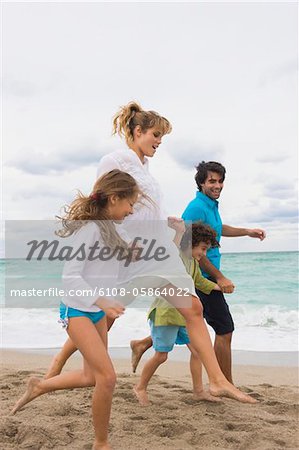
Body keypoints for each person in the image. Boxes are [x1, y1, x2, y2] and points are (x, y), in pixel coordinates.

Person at [44, 102, 256, 404]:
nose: (159, 141)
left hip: (158, 251)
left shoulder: (145, 166)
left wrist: (168, 221)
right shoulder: (116, 159)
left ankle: (218, 380)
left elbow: (146, 207)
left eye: (162, 137)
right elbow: (102, 201)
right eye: (155, 135)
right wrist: (118, 240)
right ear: (137, 131)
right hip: (131, 254)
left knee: (193, 309)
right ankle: (60, 364)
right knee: (104, 315)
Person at [11, 170, 141, 450]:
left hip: (94, 311)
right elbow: (71, 277)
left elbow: (107, 267)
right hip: (77, 311)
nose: (132, 210)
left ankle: (40, 386)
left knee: (90, 377)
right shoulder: (90, 229)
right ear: (114, 198)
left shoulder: (112, 228)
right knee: (107, 378)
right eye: (130, 203)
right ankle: (101, 443)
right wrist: (102, 301)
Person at [182, 161, 266, 383]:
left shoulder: (210, 205)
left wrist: (247, 231)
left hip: (205, 277)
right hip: (202, 278)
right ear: (201, 183)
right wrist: (219, 277)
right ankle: (225, 383)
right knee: (224, 329)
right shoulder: (197, 207)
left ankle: (143, 343)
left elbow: (218, 229)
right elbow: (192, 250)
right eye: (212, 181)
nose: (217, 185)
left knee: (179, 324)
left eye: (220, 181)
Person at [133, 221, 226, 406]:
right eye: (203, 248)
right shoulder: (176, 257)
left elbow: (198, 281)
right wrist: (178, 232)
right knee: (161, 355)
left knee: (198, 352)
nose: (204, 254)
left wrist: (219, 286)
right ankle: (140, 387)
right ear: (191, 243)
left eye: (207, 250)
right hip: (165, 314)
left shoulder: (193, 262)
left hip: (184, 317)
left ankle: (198, 391)